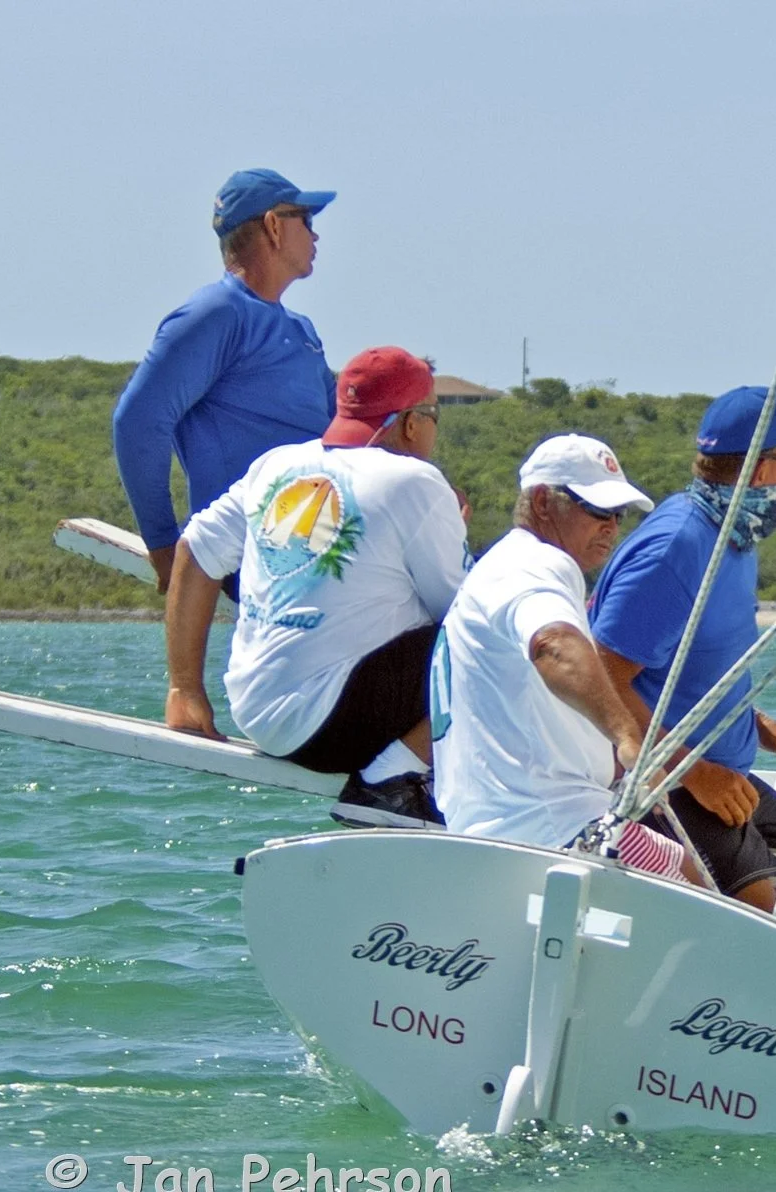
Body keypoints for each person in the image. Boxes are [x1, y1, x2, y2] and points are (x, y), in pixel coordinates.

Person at [590, 385, 776, 936]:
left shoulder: (734, 537)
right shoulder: (678, 548)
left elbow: (690, 668)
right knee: (760, 927)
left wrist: (758, 725)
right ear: (762, 469)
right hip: (676, 785)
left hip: (726, 776)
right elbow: (600, 679)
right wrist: (694, 773)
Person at [164, 346, 469, 826]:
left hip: (256, 714)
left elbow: (194, 550)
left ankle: (400, 769)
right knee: (496, 633)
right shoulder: (416, 482)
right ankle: (390, 779)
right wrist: (452, 529)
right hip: (336, 730)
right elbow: (462, 609)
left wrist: (185, 687)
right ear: (412, 423)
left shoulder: (275, 465)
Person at [431, 434, 693, 880]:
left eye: (619, 514)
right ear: (542, 502)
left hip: (501, 831)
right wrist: (627, 735)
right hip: (555, 827)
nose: (612, 527)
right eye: (598, 510)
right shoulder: (534, 565)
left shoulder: (498, 566)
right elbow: (553, 644)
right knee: (705, 897)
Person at [113, 168, 339, 593]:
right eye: (305, 220)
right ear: (273, 226)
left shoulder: (302, 329)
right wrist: (164, 548)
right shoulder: (217, 313)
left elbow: (342, 435)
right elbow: (138, 422)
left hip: (323, 542)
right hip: (259, 554)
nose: (315, 235)